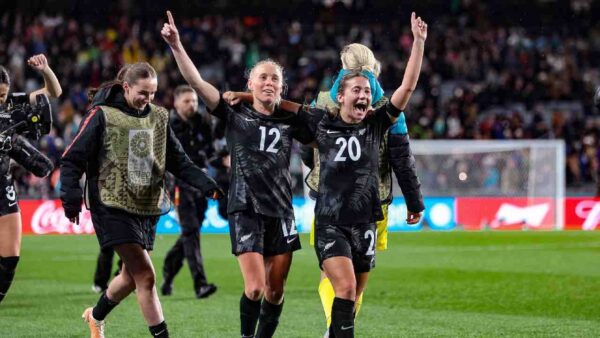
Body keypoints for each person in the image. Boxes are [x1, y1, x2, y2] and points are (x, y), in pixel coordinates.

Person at [162, 11, 312, 338]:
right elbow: (198, 83)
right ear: (250, 82)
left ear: (282, 86)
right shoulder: (233, 115)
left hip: (282, 211)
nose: (269, 82)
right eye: (263, 78)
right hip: (245, 208)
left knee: (275, 292)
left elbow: (315, 120)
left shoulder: (290, 121)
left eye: (275, 78)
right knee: (256, 288)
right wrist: (176, 46)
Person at [60, 61, 223, 338]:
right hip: (110, 205)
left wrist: (210, 187)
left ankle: (95, 316)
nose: (148, 99)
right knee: (146, 276)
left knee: (128, 275)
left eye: (153, 93)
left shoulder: (159, 117)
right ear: (126, 87)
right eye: (143, 93)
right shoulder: (102, 115)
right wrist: (71, 197)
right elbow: (71, 158)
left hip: (146, 206)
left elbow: (179, 162)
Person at [0, 54, 60, 305]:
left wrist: (46, 69)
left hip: (2, 183)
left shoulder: (12, 104)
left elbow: (53, 92)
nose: (0, 101)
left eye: (2, 96)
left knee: (10, 255)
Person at [161, 84, 217, 299]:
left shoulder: (203, 121)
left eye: (194, 101)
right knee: (191, 231)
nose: (192, 105)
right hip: (179, 185)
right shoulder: (168, 125)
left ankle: (168, 271)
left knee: (190, 233)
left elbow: (210, 150)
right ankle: (200, 284)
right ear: (176, 103)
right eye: (187, 101)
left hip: (201, 184)